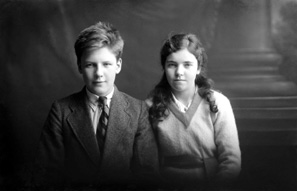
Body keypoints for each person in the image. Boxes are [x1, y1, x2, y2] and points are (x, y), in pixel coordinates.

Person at [32, 21, 159, 189]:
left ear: (118, 65)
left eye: (106, 64)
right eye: (90, 65)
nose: (99, 73)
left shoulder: (138, 110)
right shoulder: (61, 111)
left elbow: (147, 175)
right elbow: (47, 173)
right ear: (79, 67)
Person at [146, 33, 241, 189]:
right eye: (172, 65)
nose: (179, 72)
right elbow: (146, 162)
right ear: (164, 67)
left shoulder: (218, 103)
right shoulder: (151, 107)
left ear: (198, 68)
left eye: (187, 65)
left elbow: (231, 161)